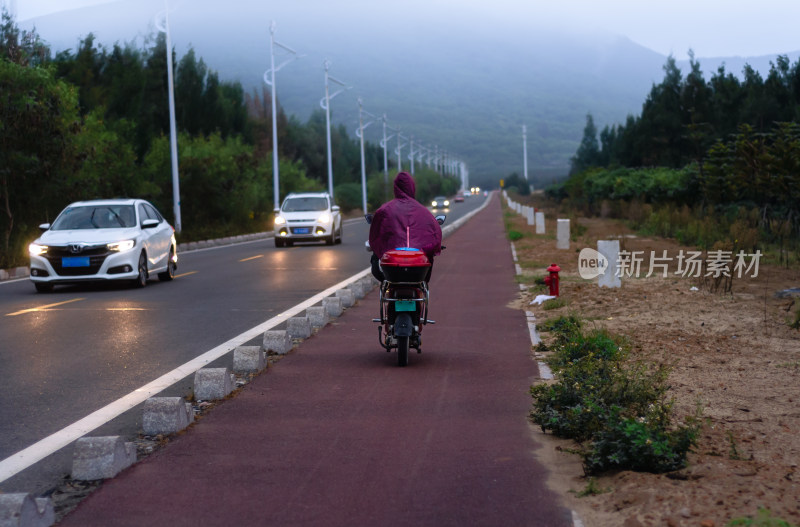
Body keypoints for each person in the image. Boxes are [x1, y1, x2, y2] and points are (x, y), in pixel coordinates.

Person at [368, 171, 443, 283]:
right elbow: (435, 234)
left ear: (396, 188)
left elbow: (375, 236)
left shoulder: (384, 210)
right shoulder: (424, 211)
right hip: (417, 266)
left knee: (376, 260)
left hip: (392, 266)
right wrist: (431, 248)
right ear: (412, 187)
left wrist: (381, 249)